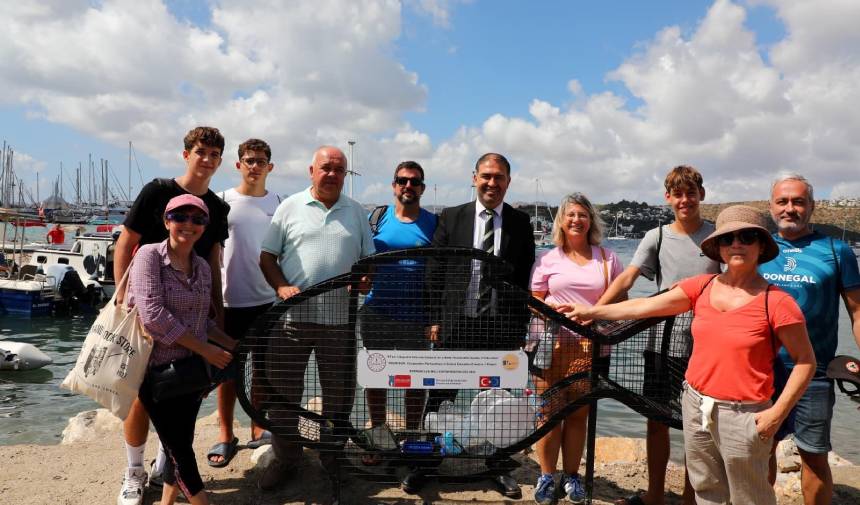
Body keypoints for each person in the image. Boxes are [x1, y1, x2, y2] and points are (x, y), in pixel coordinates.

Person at [563, 205, 816, 505]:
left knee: (750, 496)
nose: (736, 244)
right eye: (728, 238)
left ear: (761, 246)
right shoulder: (703, 287)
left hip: (745, 413)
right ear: (719, 248)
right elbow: (644, 307)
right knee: (706, 490)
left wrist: (776, 414)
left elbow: (805, 362)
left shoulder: (777, 302)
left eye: (747, 237)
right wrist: (593, 311)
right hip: (695, 405)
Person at [113, 126, 230, 505]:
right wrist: (122, 301)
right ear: (187, 154)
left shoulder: (203, 251)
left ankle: (167, 491)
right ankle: (135, 471)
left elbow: (211, 270)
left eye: (214, 154)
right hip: (152, 347)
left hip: (188, 355)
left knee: (179, 431)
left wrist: (223, 333)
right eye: (201, 152)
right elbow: (127, 243)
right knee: (159, 420)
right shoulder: (155, 200)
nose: (190, 225)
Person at [596, 165, 720, 505]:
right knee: (656, 421)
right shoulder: (658, 236)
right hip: (659, 344)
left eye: (690, 193)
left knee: (701, 427)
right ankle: (653, 496)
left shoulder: (718, 236)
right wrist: (595, 314)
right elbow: (627, 279)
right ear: (668, 198)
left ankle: (690, 497)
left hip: (706, 348)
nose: (685, 200)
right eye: (678, 194)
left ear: (701, 195)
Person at [418, 153, 535, 498]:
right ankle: (426, 465)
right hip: (455, 324)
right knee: (439, 398)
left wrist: (520, 327)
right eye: (486, 176)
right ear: (474, 177)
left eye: (499, 177)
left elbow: (524, 277)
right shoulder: (452, 217)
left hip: (500, 328)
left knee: (500, 403)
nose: (491, 183)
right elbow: (435, 271)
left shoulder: (520, 222)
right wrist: (433, 319)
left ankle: (499, 468)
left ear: (508, 182)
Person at [258, 145, 375, 492]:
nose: (332, 174)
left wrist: (367, 278)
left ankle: (332, 456)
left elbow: (368, 262)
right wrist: (280, 286)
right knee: (283, 396)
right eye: (326, 168)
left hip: (340, 322)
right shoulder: (289, 206)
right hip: (291, 320)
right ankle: (287, 459)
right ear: (312, 170)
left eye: (339, 169)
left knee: (339, 398)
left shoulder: (356, 212)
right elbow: (266, 256)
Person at [127, 194, 237, 505]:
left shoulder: (201, 266)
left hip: (189, 373)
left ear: (204, 226)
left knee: (180, 443)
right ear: (166, 221)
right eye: (180, 217)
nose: (189, 224)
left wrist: (231, 345)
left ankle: (166, 502)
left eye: (198, 219)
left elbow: (204, 322)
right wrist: (206, 350)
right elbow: (153, 316)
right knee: (180, 453)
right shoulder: (149, 256)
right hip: (154, 371)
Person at [759, 174, 860, 505]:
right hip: (760, 372)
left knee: (814, 456)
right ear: (771, 207)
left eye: (798, 201)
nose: (790, 208)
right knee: (761, 450)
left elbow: (857, 314)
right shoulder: (758, 248)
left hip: (813, 374)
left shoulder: (837, 250)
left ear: (811, 207)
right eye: (782, 202)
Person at [530, 193, 623, 504]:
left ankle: (571, 476)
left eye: (583, 214)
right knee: (548, 413)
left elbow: (620, 301)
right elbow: (535, 299)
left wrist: (591, 314)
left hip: (591, 347)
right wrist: (556, 314)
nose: (576, 220)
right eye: (570, 214)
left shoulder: (608, 259)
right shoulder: (547, 258)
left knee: (579, 414)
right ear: (561, 220)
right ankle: (546, 476)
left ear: (591, 221)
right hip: (550, 344)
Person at [207, 139, 280, 467]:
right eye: (249, 160)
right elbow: (210, 252)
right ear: (238, 165)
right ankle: (225, 433)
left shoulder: (279, 203)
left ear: (270, 166)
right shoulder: (222, 201)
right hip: (228, 300)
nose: (255, 166)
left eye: (261, 161)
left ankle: (257, 425)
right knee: (227, 371)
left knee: (262, 370)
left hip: (267, 299)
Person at [359, 161, 437, 434]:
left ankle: (411, 434)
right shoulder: (377, 218)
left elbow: (441, 272)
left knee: (415, 381)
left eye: (414, 182)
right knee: (375, 376)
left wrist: (436, 318)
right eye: (402, 180)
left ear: (422, 188)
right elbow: (363, 260)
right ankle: (378, 431)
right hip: (377, 312)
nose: (408, 186)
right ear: (394, 185)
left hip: (416, 317)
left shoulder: (434, 223)